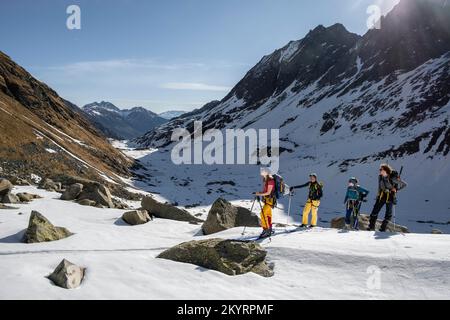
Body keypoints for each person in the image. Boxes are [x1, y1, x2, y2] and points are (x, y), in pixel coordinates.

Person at [368, 164, 407, 232]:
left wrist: (396, 189)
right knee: (374, 211)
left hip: (390, 197)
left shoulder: (393, 178)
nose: (380, 171)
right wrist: (378, 195)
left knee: (388, 214)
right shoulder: (380, 177)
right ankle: (371, 227)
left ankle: (383, 228)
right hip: (382, 196)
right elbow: (379, 187)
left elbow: (404, 184)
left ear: (386, 170)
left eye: (381, 169)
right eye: (380, 169)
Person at [254, 167, 276, 239]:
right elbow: (265, 192)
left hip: (269, 201)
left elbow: (268, 192)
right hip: (267, 200)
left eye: (262, 171)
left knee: (262, 214)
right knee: (268, 214)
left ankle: (266, 230)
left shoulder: (270, 180)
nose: (261, 172)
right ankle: (269, 228)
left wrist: (259, 194)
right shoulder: (266, 180)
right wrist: (259, 193)